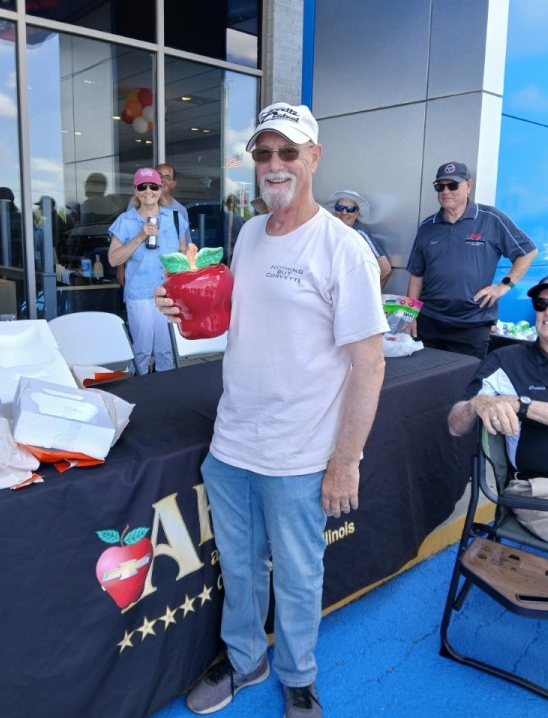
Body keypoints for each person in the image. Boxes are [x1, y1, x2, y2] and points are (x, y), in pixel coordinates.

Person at [155, 102, 388, 717]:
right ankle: (245, 661)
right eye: (264, 153)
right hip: (233, 442)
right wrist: (183, 305)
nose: (275, 164)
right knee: (238, 567)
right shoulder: (251, 234)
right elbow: (236, 320)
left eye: (289, 151)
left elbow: (370, 364)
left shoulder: (344, 248)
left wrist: (346, 462)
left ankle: (298, 676)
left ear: (314, 157)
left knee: (298, 574)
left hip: (300, 453)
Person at [448, 273, 548, 544]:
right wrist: (477, 403)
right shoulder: (508, 361)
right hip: (540, 490)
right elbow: (455, 425)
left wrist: (520, 405)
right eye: (541, 304)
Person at [406, 161, 537, 359]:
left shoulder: (491, 218)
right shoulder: (427, 226)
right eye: (440, 186)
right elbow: (417, 275)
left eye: (452, 185)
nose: (446, 191)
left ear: (468, 185)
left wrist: (503, 286)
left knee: (467, 377)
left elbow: (527, 252)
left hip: (472, 325)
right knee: (426, 375)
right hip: (430, 322)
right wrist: (410, 315)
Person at [108, 167, 188, 374]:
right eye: (142, 186)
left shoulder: (176, 219)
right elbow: (113, 259)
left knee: (166, 352)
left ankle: (165, 391)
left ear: (160, 189)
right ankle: (139, 390)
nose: (148, 191)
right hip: (140, 294)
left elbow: (183, 253)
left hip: (168, 294)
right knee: (142, 352)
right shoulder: (126, 221)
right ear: (136, 190)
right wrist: (140, 236)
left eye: (153, 186)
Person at [324, 189, 391, 285]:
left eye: (350, 209)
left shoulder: (360, 235)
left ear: (357, 212)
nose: (344, 212)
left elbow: (385, 269)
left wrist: (366, 292)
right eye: (339, 208)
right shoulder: (328, 232)